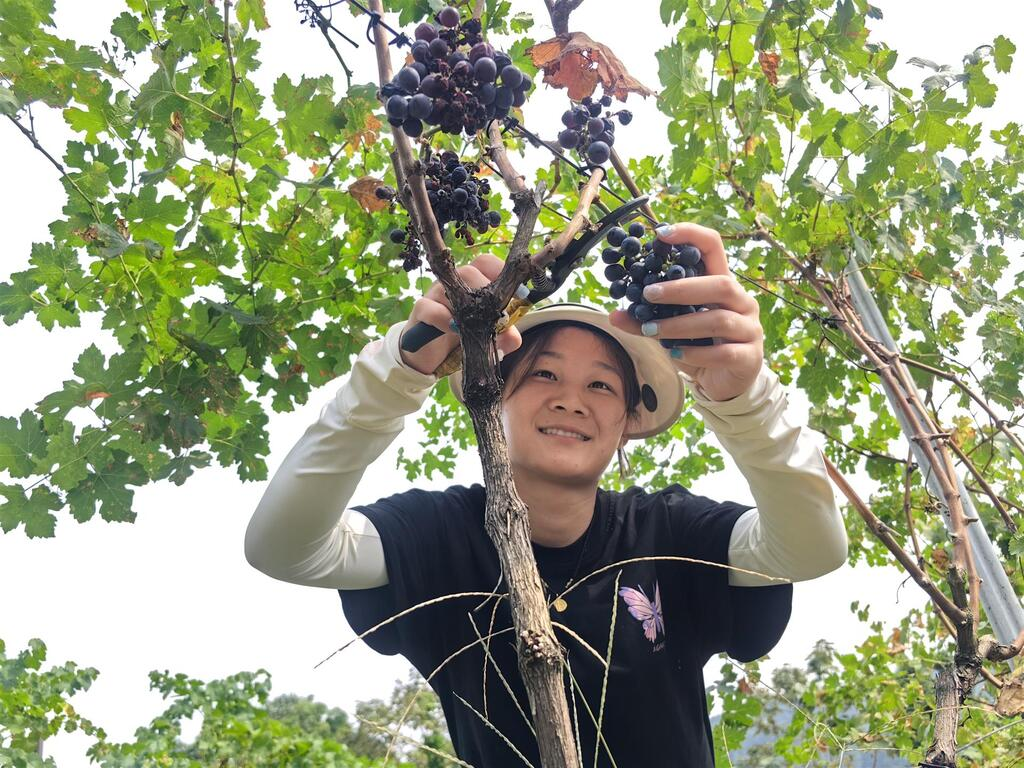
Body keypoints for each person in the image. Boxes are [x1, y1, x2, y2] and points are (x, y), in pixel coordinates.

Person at [244, 223, 848, 767]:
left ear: (630, 420)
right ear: (495, 394)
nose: (571, 399)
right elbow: (286, 549)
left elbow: (807, 549)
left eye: (601, 385)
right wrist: (394, 376)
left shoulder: (668, 532)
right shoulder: (438, 535)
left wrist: (746, 403)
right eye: (543, 374)